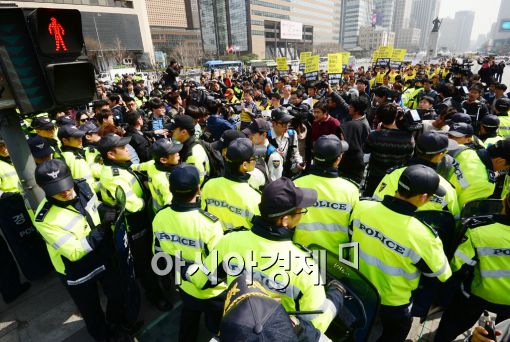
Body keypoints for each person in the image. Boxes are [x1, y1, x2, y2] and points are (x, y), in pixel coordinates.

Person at [188, 177, 348, 334]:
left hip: (238, 331)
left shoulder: (230, 241)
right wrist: (336, 295)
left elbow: (202, 280)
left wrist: (184, 266)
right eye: (301, 211)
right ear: (285, 220)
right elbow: (315, 325)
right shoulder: (305, 266)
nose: (301, 215)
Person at [350, 164, 452, 341]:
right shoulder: (423, 236)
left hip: (360, 289)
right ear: (423, 198)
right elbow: (441, 273)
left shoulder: (363, 207)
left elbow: (350, 240)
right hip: (394, 304)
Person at [33, 159, 130, 341]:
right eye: (58, 191)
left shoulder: (83, 187)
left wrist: (105, 209)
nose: (66, 193)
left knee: (117, 292)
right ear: (42, 187)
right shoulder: (43, 219)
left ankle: (117, 325)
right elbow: (74, 252)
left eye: (67, 186)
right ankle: (104, 337)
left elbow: (94, 206)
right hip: (75, 269)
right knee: (91, 310)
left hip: (102, 254)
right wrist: (101, 230)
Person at [98, 134, 171, 311]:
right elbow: (133, 206)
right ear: (111, 155)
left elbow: (142, 167)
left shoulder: (122, 166)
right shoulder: (113, 176)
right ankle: (154, 295)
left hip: (142, 222)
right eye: (122, 148)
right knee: (145, 263)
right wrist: (151, 192)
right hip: (133, 226)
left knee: (152, 257)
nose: (127, 149)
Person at [152, 164, 225, 342]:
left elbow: (158, 253)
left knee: (189, 320)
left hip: (184, 284)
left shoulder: (160, 216)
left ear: (171, 189)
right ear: (198, 189)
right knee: (219, 329)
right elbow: (218, 266)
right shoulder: (209, 223)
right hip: (213, 293)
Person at [434, 193, 510, 342]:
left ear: (504, 202)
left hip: (477, 296)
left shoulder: (478, 229)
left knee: (451, 324)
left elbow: (457, 267)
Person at [293, 135, 358, 254]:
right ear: (338, 159)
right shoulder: (351, 190)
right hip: (335, 260)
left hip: (300, 254)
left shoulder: (296, 185)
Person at [373, 132, 460, 218]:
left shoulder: (393, 174)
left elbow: (376, 201)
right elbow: (453, 219)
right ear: (440, 155)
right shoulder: (446, 188)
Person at [201, 138, 261, 230]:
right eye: (254, 158)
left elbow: (203, 215)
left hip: (215, 241)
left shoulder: (209, 185)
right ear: (244, 165)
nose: (256, 160)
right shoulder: (255, 197)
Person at [364, 103, 415, 197]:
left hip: (375, 174)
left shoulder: (374, 136)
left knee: (370, 196)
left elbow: (366, 150)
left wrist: (377, 132)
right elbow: (409, 157)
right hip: (395, 176)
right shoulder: (408, 138)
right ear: (396, 115)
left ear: (378, 117)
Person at [449, 136, 510, 207]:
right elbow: (465, 212)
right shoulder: (485, 184)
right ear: (499, 161)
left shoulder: (463, 150)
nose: (504, 170)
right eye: (507, 167)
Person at [132, 139, 182, 213]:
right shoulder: (165, 181)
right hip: (162, 213)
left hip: (154, 207)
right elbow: (170, 203)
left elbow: (137, 167)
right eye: (173, 152)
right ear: (163, 160)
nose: (178, 153)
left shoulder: (151, 164)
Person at [339, 97, 371, 183]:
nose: (348, 108)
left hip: (354, 165)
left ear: (357, 111)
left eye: (351, 107)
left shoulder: (364, 125)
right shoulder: (353, 119)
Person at [171, 115, 210, 185]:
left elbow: (197, 180)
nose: (171, 131)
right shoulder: (190, 144)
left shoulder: (192, 153)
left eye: (174, 129)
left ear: (183, 132)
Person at [58, 125, 97, 193]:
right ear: (65, 140)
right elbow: (87, 186)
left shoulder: (65, 154)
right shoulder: (75, 159)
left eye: (80, 136)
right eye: (76, 137)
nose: (80, 139)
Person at [267, 107, 303, 179]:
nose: (286, 127)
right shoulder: (266, 136)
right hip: (272, 175)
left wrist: (299, 163)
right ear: (274, 123)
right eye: (283, 124)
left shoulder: (292, 134)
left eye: (288, 123)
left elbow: (295, 152)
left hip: (288, 173)